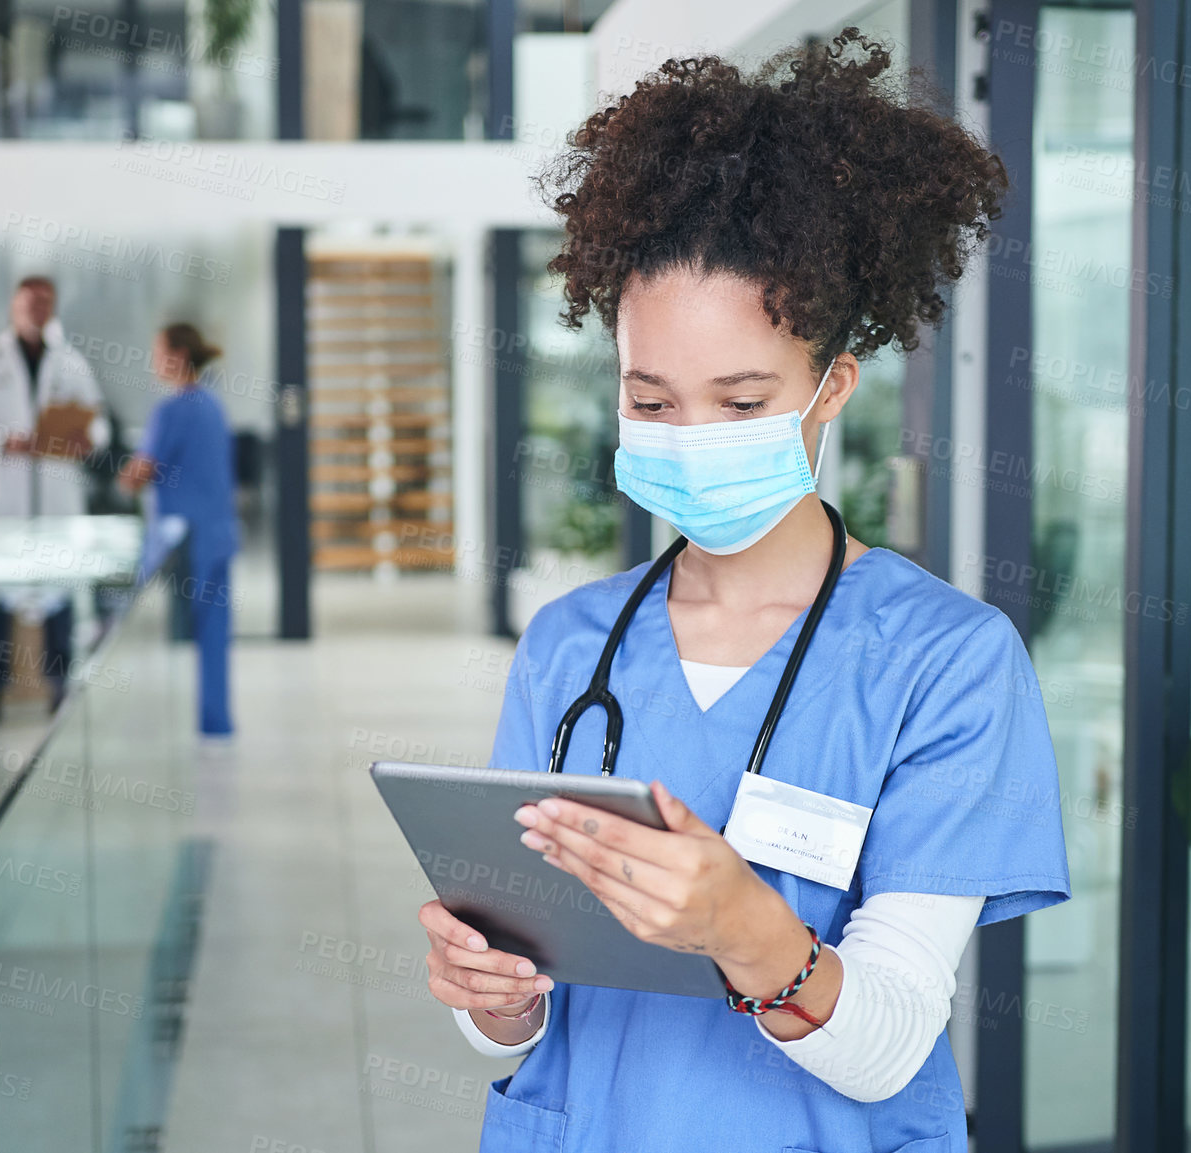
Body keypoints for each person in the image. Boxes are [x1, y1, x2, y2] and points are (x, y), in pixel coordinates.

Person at [416, 34, 1071, 1153]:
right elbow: (519, 1029)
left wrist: (744, 928)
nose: (690, 440)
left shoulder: (947, 661)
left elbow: (891, 1040)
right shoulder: (569, 646)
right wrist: (497, 996)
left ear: (830, 391)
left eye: (740, 399)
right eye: (653, 401)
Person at [0, 275, 104, 725]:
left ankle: (59, 689)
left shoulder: (70, 363)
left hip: (54, 501)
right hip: (5, 503)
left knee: (59, 602)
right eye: (31, 302)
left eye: (46, 302)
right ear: (15, 306)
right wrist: (2, 441)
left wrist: (86, 439)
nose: (39, 309)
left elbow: (98, 424)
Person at [118, 323, 238, 737]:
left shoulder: (170, 411)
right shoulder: (213, 405)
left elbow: (139, 474)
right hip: (218, 534)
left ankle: (143, 727)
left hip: (184, 542)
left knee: (137, 633)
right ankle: (216, 723)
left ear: (179, 357)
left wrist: (117, 471)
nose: (153, 362)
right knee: (214, 638)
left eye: (158, 352)